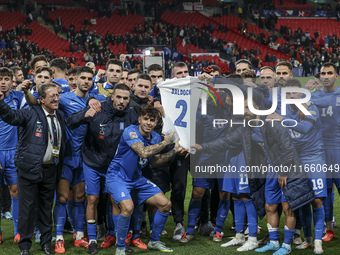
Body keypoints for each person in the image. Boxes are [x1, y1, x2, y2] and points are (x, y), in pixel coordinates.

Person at [67, 84, 139, 254]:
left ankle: (118, 239)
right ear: (112, 96)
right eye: (119, 97)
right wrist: (84, 115)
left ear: (129, 99)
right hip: (92, 161)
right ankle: (92, 240)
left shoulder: (132, 115)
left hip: (115, 165)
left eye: (125, 98)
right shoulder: (97, 108)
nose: (122, 101)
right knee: (92, 199)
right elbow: (70, 122)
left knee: (115, 201)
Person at [106, 105, 185, 255]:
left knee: (165, 204)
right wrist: (165, 143)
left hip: (136, 178)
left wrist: (175, 150)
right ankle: (120, 248)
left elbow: (155, 161)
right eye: (146, 119)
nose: (148, 123)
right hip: (117, 176)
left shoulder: (155, 137)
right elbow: (142, 152)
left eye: (152, 120)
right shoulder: (131, 131)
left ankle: (154, 241)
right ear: (139, 119)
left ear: (156, 122)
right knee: (128, 208)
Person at [0, 83, 66, 255]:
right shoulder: (31, 112)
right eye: (52, 96)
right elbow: (11, 116)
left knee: (46, 209)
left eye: (57, 95)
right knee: (27, 210)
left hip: (50, 170)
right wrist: (0, 102)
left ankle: (45, 243)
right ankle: (24, 246)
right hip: (29, 169)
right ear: (41, 99)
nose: (56, 98)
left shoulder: (59, 115)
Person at [267, 79, 326, 253]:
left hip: (314, 157)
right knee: (302, 200)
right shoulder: (282, 110)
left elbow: (306, 128)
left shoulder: (310, 107)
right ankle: (307, 238)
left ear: (300, 93)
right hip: (294, 159)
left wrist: (282, 119)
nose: (291, 96)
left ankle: (318, 241)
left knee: (316, 200)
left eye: (294, 92)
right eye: (287, 94)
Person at [313, 62, 340, 243]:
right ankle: (329, 229)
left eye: (330, 73)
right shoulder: (313, 96)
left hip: (338, 149)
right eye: (323, 73)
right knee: (325, 193)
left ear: (336, 75)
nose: (326, 76)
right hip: (320, 151)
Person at [0, 67, 25, 245]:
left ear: (11, 81)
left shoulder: (17, 97)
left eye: (6, 78)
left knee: (16, 192)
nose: (3, 82)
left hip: (14, 152)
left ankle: (18, 231)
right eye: (0, 78)